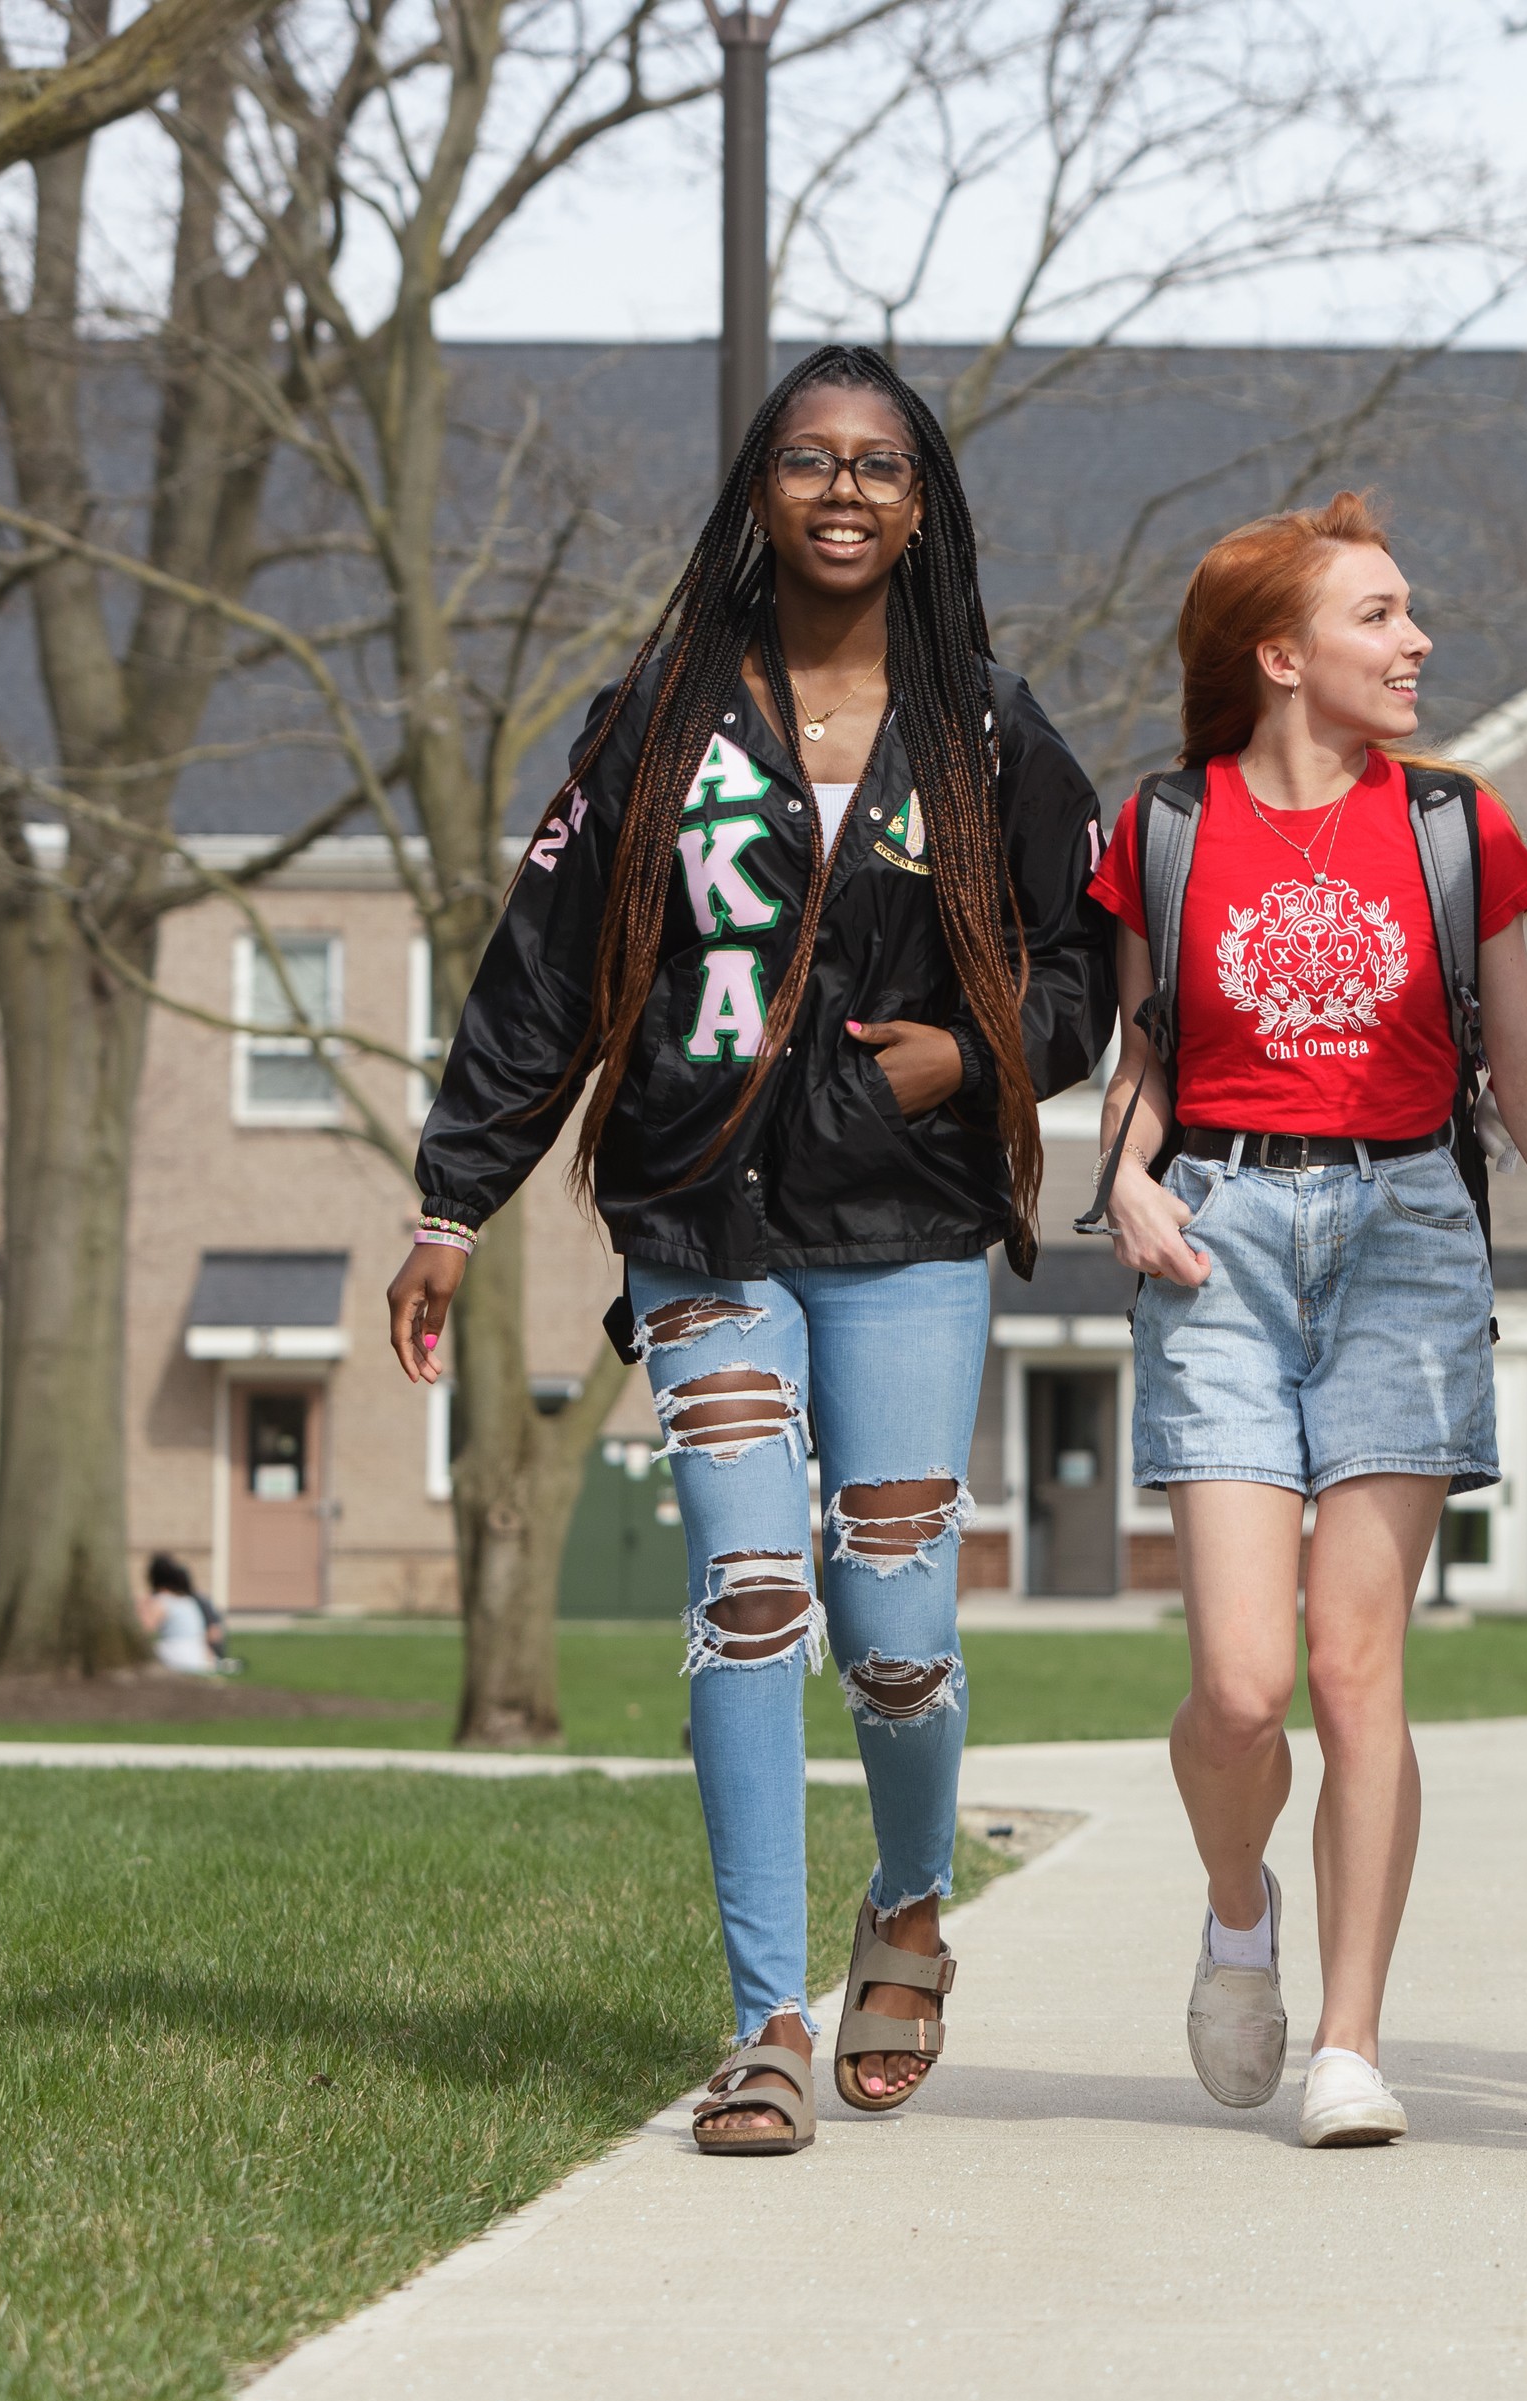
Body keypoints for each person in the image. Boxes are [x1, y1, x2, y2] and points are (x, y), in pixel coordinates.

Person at [386, 344, 1114, 2159]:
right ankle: (761, 2021)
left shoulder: (995, 733)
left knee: (893, 1625)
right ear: (761, 496)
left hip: (908, 1223)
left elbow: (1096, 964)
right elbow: (542, 970)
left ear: (921, 503)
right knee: (748, 1597)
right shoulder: (653, 723)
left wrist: (987, 1044)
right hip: (698, 1211)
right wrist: (451, 1199)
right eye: (809, 460)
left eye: (878, 463)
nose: (844, 489)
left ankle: (916, 1901)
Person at [1089, 495, 1527, 2150]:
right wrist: (1124, 1177)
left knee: (1359, 1670)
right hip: (1217, 1241)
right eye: (1378, 615)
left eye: (1410, 611)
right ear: (1280, 655)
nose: (1416, 640)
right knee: (1238, 1684)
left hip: (1409, 1239)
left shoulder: (1456, 832)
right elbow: (1143, 1053)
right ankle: (1238, 1912)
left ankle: (1350, 2039)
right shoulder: (1163, 827)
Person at [140, 1554, 229, 1674]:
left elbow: (144, 1628)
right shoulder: (188, 1601)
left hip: (177, 1653)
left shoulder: (162, 1601)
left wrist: (141, 1606)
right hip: (199, 1653)